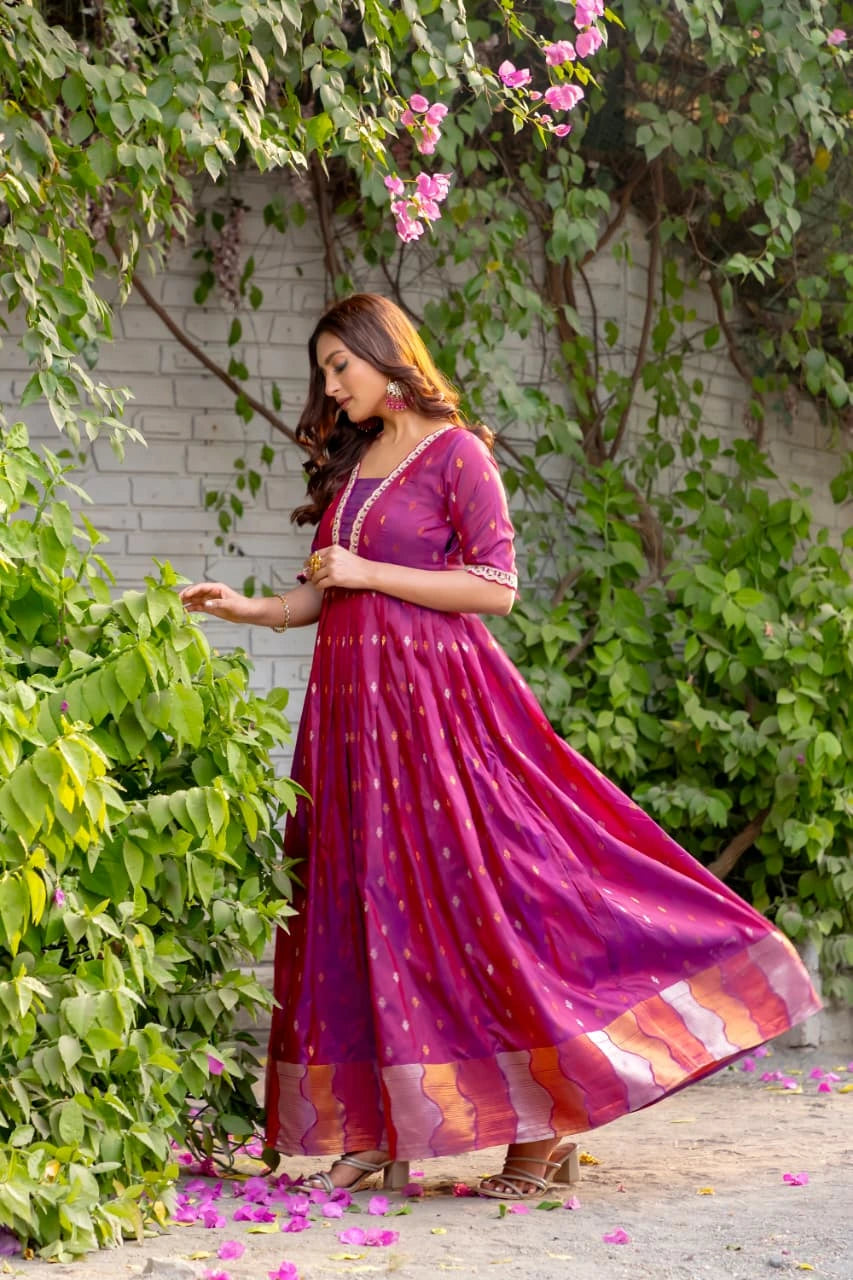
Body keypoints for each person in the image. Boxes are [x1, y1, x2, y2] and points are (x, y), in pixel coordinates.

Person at [180, 292, 820, 1200]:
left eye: (339, 366)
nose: (329, 387)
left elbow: (494, 587)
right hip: (352, 726)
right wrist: (252, 609)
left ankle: (544, 1125)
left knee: (483, 901)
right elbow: (329, 597)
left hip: (442, 717)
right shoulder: (357, 460)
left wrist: (366, 571)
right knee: (365, 907)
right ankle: (374, 1125)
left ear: (384, 355)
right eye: (322, 372)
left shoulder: (458, 453)